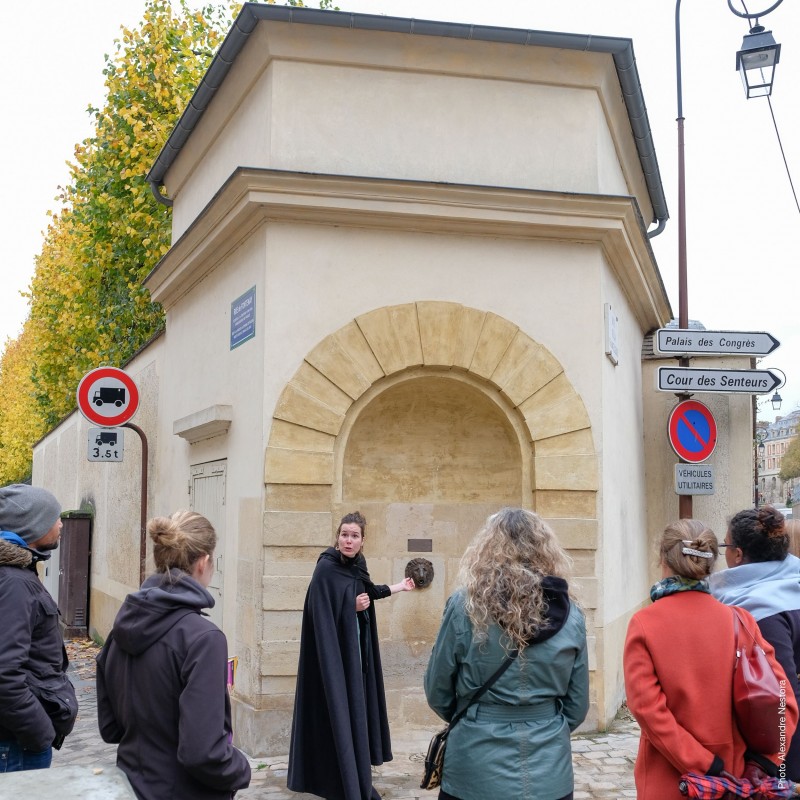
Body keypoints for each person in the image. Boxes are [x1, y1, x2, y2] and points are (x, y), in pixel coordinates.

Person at [624, 518, 798, 800]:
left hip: (671, 779)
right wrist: (765, 761)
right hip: (733, 777)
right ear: (710, 564)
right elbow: (783, 699)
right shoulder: (740, 621)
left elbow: (648, 711)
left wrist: (705, 764)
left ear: (662, 559)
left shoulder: (644, 623)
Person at [424, 507, 589, 800]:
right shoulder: (572, 615)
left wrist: (474, 714)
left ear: (487, 548)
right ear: (545, 550)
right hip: (549, 772)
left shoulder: (465, 607)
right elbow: (577, 705)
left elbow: (438, 688)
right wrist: (542, 720)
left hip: (475, 768)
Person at [96, 510, 251, 800]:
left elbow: (110, 727)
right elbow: (202, 752)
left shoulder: (122, 626)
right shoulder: (204, 638)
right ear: (204, 561)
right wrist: (241, 769)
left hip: (131, 785)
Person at [288, 511, 415, 800]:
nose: (348, 540)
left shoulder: (358, 565)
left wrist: (399, 587)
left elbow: (368, 592)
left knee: (356, 712)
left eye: (354, 536)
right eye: (344, 534)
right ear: (337, 537)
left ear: (362, 540)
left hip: (356, 653)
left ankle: (356, 779)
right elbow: (319, 614)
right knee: (339, 712)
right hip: (333, 659)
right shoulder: (326, 568)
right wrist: (351, 607)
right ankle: (341, 781)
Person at [709, 505, 800, 782]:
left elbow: (780, 696)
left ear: (737, 554)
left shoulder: (760, 611)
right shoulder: (793, 583)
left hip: (788, 752)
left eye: (726, 544)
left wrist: (771, 765)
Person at [0, 484, 77, 772]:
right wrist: (40, 733)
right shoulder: (13, 583)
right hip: (15, 745)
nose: (59, 523)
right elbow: (4, 674)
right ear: (31, 526)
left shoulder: (16, 574)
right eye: (53, 517)